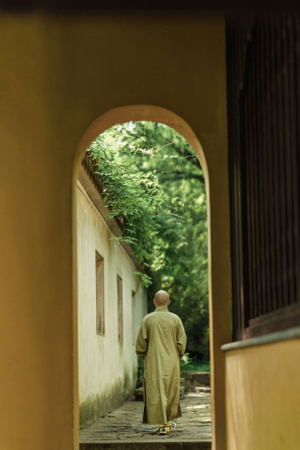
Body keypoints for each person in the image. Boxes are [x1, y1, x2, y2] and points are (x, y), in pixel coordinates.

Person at [135, 290, 187, 435]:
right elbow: (181, 343)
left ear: (154, 302)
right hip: (172, 361)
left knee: (156, 390)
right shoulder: (176, 319)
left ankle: (163, 424)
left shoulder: (148, 319)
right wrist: (177, 355)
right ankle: (167, 423)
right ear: (168, 302)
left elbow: (140, 345)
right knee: (170, 390)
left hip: (153, 361)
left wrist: (146, 356)